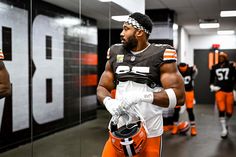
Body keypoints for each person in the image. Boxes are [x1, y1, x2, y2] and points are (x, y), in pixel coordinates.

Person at [97, 12, 185, 157]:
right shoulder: (115, 52)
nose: (121, 33)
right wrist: (108, 102)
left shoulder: (161, 53)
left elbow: (179, 97)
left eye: (126, 29)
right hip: (119, 130)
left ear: (139, 32)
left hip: (150, 132)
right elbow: (102, 87)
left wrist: (142, 96)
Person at [209, 51, 236, 139]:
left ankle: (226, 124)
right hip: (219, 90)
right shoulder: (214, 67)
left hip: (229, 91)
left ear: (225, 57)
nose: (221, 58)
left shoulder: (231, 65)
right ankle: (223, 129)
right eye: (220, 57)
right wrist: (212, 86)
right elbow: (211, 79)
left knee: (229, 112)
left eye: (223, 57)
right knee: (221, 109)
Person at [171, 62, 198, 136]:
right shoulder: (175, 69)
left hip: (189, 92)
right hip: (179, 92)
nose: (182, 70)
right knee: (176, 110)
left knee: (190, 110)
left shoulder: (191, 69)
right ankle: (175, 126)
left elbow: (194, 75)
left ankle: (193, 127)